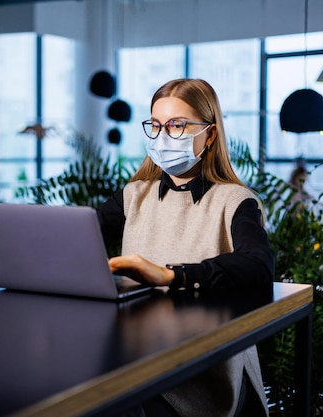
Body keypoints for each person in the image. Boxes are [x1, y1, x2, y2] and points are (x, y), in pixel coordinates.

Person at [95, 78, 275, 417]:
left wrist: (170, 276)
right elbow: (82, 236)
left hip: (204, 368)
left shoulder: (235, 201)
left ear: (209, 133)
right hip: (140, 355)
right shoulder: (134, 195)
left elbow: (260, 264)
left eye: (177, 125)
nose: (163, 136)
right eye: (156, 125)